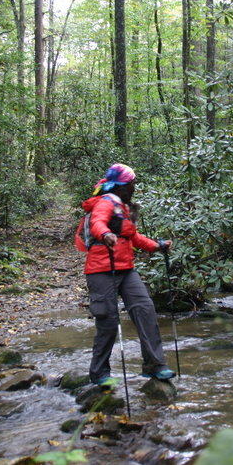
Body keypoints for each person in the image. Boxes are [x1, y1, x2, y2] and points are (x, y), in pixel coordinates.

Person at [77, 163, 175, 385]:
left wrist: (157, 246)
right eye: (132, 183)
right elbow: (97, 223)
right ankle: (100, 374)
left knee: (145, 311)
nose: (134, 187)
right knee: (108, 321)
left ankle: (155, 366)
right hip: (101, 270)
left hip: (126, 269)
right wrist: (105, 234)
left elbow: (134, 238)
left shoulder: (123, 207)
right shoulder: (105, 202)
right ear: (122, 185)